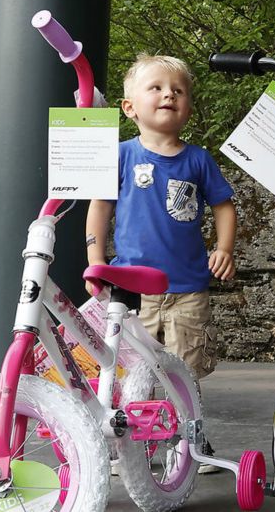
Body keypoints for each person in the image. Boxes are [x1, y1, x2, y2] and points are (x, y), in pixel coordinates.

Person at [86, 54, 237, 474]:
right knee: (133, 372)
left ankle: (188, 439)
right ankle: (134, 445)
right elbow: (99, 208)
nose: (169, 93)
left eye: (178, 90)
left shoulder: (198, 160)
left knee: (184, 371)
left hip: (187, 288)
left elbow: (224, 207)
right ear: (129, 106)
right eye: (155, 87)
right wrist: (95, 260)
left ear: (188, 106)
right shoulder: (121, 156)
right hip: (131, 290)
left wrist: (224, 248)